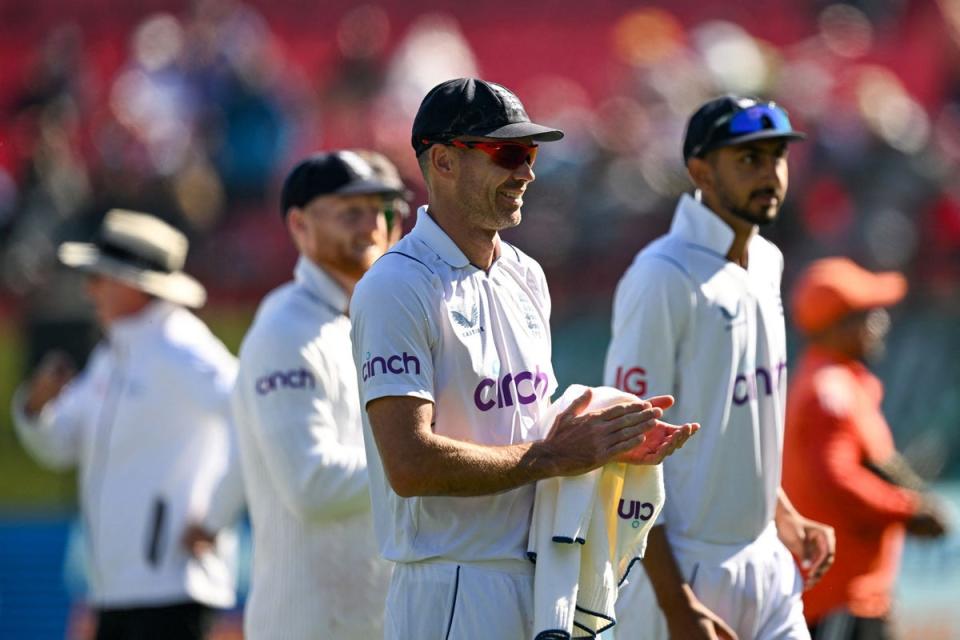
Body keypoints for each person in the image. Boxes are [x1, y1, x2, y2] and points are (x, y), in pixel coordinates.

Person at [349, 77, 697, 640]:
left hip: (541, 578)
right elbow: (409, 464)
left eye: (530, 153)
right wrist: (551, 457)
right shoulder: (394, 286)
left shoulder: (526, 274)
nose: (527, 173)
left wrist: (609, 443)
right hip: (450, 586)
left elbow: (531, 425)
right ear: (442, 161)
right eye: (508, 153)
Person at [605, 95, 836, 640]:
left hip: (767, 561)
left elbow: (738, 423)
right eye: (748, 160)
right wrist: (677, 604)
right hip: (681, 573)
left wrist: (782, 515)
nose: (771, 174)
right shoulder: (661, 276)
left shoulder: (767, 260)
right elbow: (624, 453)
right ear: (700, 171)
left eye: (776, 157)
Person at [12, 209, 238, 640]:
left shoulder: (182, 346)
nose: (88, 288)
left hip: (173, 593)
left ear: (133, 284)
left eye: (98, 276)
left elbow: (252, 417)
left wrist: (214, 516)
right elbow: (60, 445)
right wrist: (34, 408)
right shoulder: (110, 355)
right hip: (115, 591)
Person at [229, 150, 409, 639]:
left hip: (377, 619)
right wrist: (426, 459)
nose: (374, 225)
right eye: (352, 212)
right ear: (299, 226)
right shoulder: (286, 331)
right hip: (311, 623)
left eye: (385, 211)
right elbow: (311, 485)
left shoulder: (380, 320)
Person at [782, 257, 950, 640]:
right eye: (869, 315)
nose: (881, 325)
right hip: (841, 596)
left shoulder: (832, 382)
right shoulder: (829, 391)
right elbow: (836, 478)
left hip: (851, 593)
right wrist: (908, 512)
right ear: (838, 326)